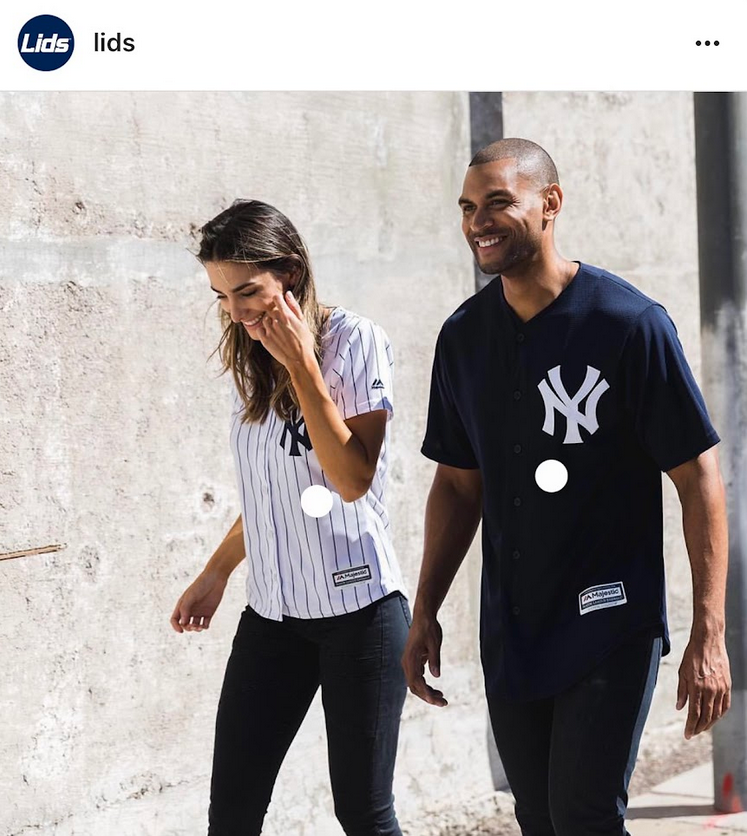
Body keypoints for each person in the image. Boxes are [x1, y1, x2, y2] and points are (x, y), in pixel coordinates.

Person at [401, 138, 731, 836]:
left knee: (584, 816)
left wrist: (709, 631)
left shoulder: (628, 324)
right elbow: (457, 486)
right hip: (513, 626)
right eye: (467, 207)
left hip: (610, 617)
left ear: (550, 202)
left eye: (498, 202)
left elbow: (697, 476)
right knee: (539, 819)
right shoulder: (463, 338)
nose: (478, 222)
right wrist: (424, 607)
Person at [170, 199, 410, 836]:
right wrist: (216, 571)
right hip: (274, 615)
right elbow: (271, 492)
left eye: (247, 292)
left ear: (291, 273)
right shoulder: (246, 354)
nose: (236, 312)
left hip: (360, 612)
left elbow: (351, 479)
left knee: (364, 814)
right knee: (232, 813)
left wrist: (303, 365)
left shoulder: (356, 342)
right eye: (222, 296)